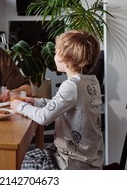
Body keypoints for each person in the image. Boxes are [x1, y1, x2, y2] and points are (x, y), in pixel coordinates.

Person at [6, 30, 104, 170]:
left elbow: (44, 117)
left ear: (66, 58)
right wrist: (35, 102)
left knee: (23, 163)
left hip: (75, 162)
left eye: (57, 52)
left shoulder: (71, 86)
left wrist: (20, 106)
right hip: (91, 157)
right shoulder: (90, 81)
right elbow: (61, 105)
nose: (54, 56)